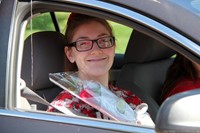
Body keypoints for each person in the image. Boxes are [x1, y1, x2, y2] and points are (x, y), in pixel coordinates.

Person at [47, 13, 153, 125]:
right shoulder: (63, 111)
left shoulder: (129, 98)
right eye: (83, 43)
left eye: (103, 40)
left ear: (114, 47)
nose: (96, 50)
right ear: (70, 54)